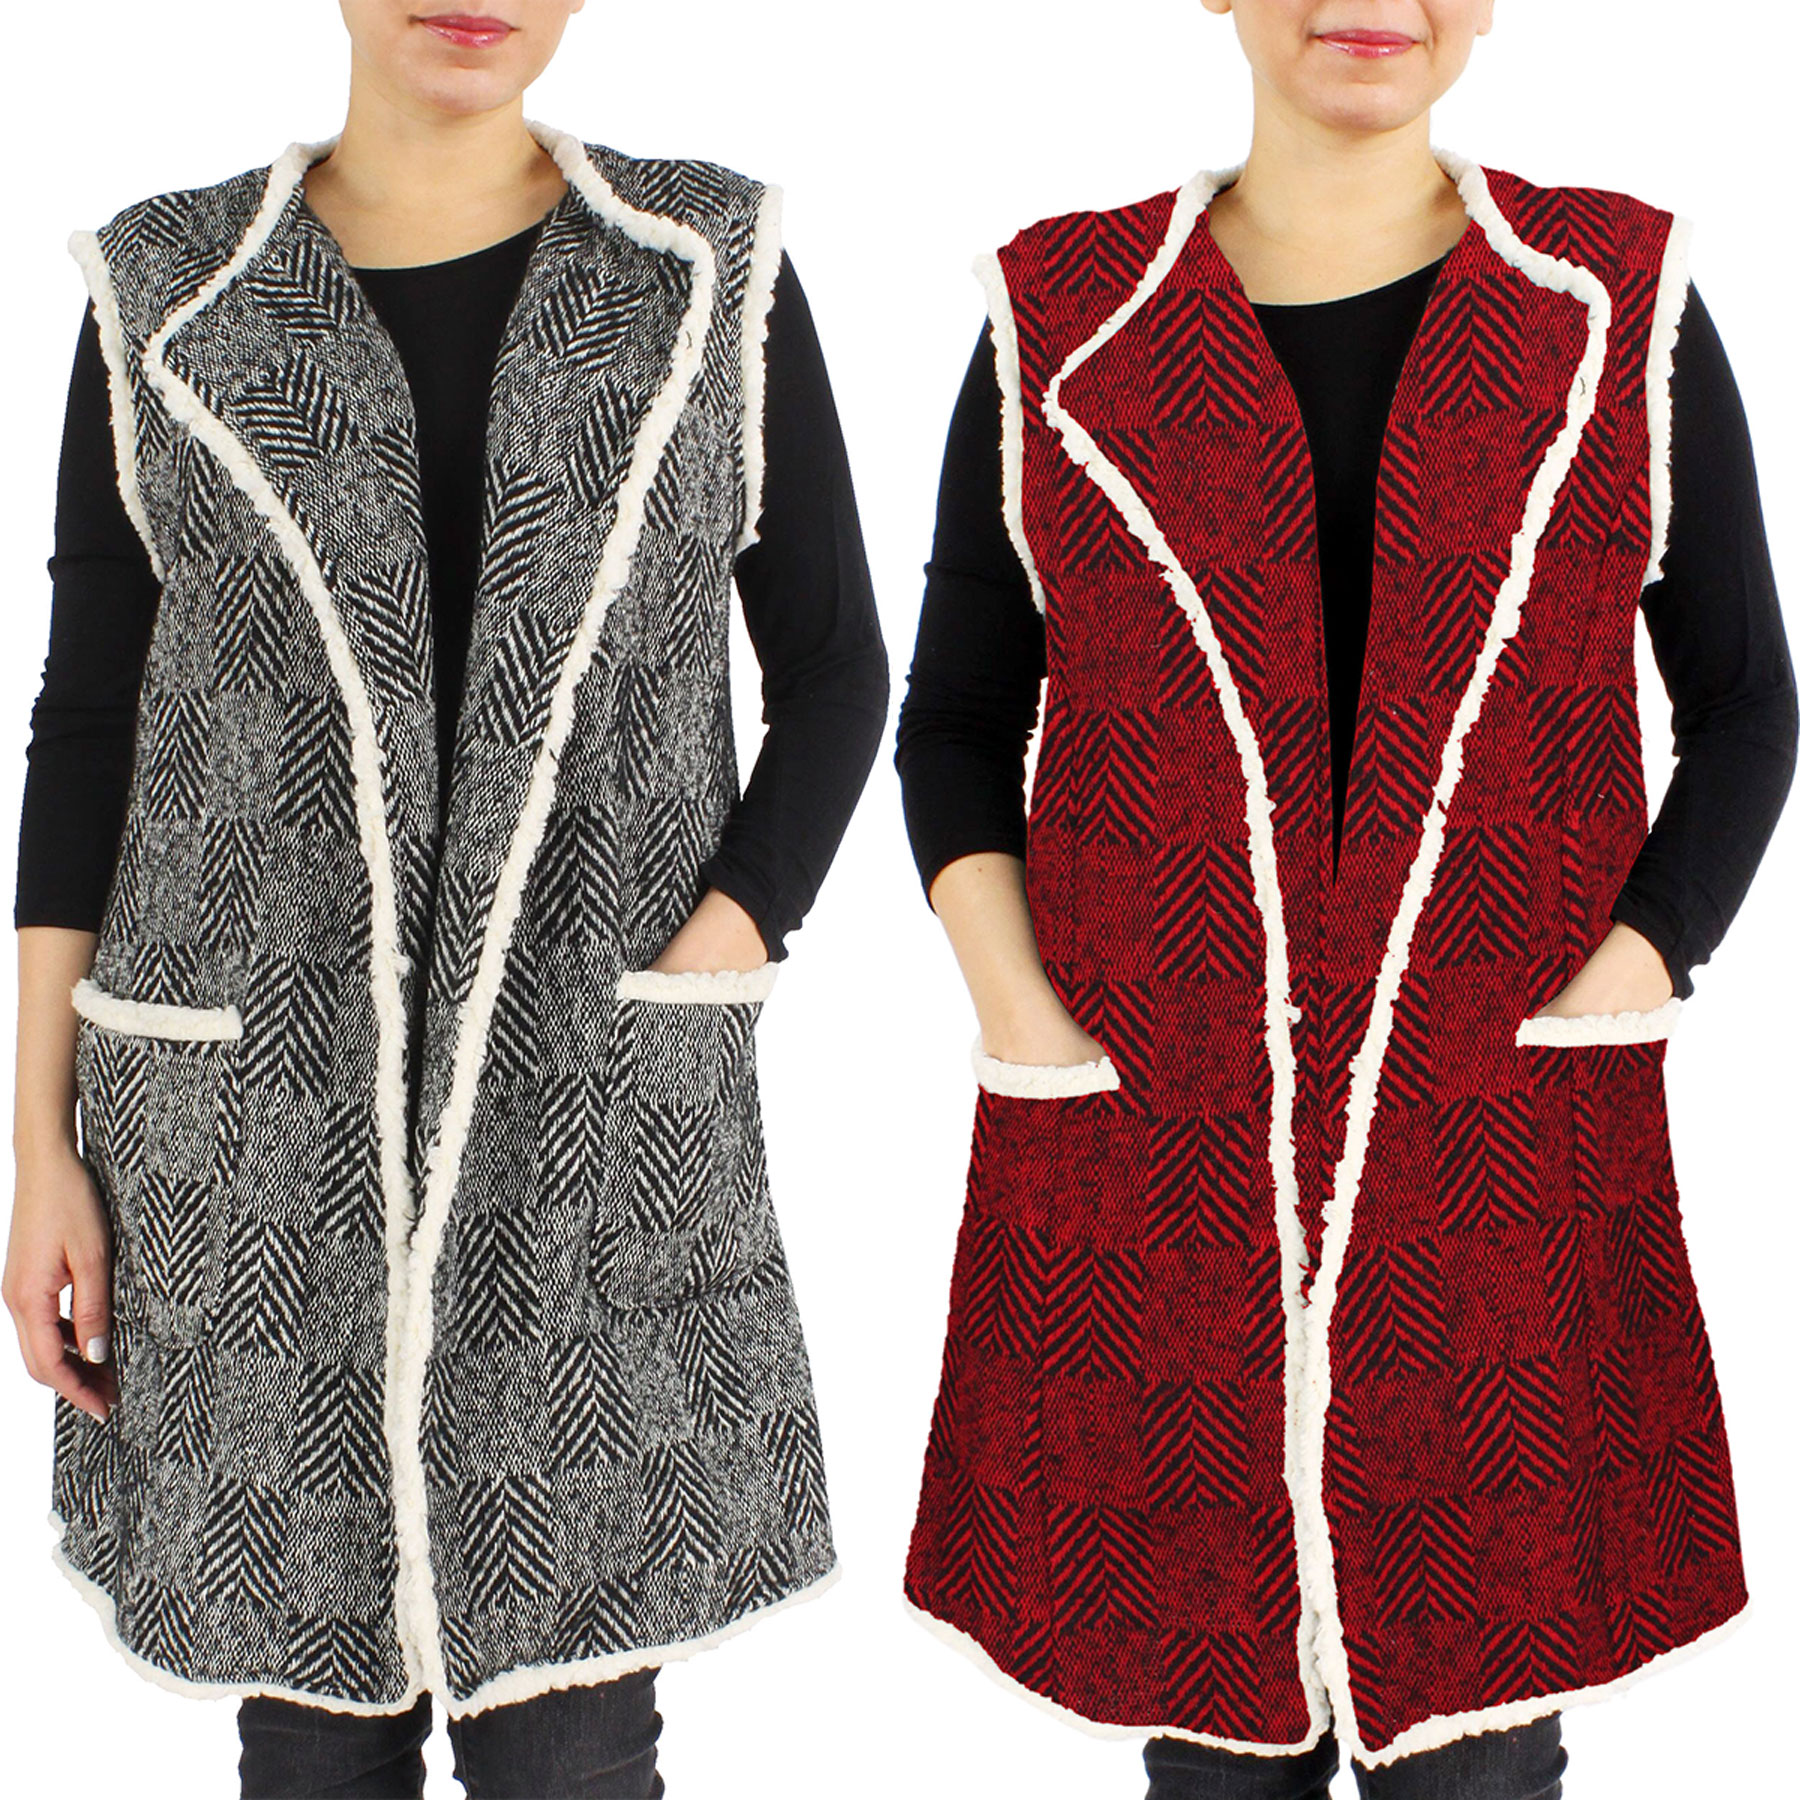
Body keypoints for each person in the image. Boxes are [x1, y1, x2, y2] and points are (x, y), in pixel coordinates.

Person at [895, 2, 1795, 1796]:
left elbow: (1746, 701)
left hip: (1504, 1148)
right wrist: (1024, 1019)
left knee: (1480, 1742)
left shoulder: (1614, 295)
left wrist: (1636, 968)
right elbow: (960, 720)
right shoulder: (1064, 310)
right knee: (1209, 1742)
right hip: (1152, 1158)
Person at [3, 1, 888, 1794]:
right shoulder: (168, 290)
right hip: (252, 1146)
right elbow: (88, 724)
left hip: (591, 1118)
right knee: (307, 1736)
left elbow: (836, 669)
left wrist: (716, 949)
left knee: (574, 1741)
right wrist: (37, 1143)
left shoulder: (702, 269)